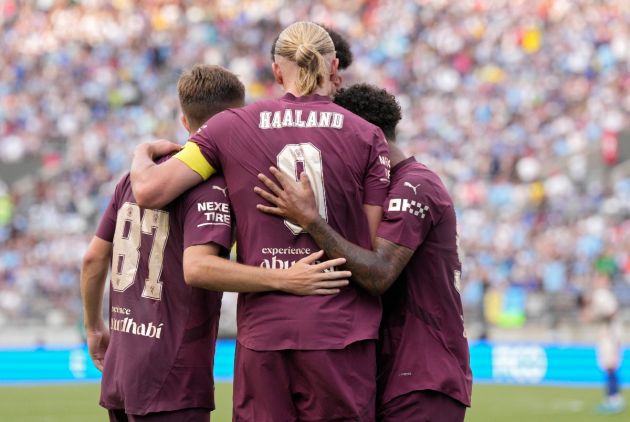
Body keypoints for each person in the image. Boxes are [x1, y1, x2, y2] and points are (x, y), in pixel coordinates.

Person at [128, 21, 390, 421]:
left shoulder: (229, 127)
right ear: (334, 64)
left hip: (266, 333)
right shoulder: (369, 136)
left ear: (276, 70)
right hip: (340, 332)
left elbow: (149, 192)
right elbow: (368, 251)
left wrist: (141, 152)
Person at [80, 64, 350, 422]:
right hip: (172, 379)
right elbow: (200, 267)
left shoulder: (137, 177)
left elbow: (94, 259)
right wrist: (286, 278)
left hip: (122, 372)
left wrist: (94, 327)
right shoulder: (212, 186)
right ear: (238, 120)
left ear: (184, 120)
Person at [255, 83, 473, 421]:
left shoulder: (415, 186)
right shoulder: (378, 192)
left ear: (366, 137)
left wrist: (312, 220)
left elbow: (379, 273)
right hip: (388, 372)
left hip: (423, 376)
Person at [585, 273, 625, 414]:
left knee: (610, 366)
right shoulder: (601, 294)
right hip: (607, 335)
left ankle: (614, 399)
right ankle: (612, 397)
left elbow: (611, 312)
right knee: (609, 367)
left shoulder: (602, 294)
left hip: (610, 336)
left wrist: (596, 316)